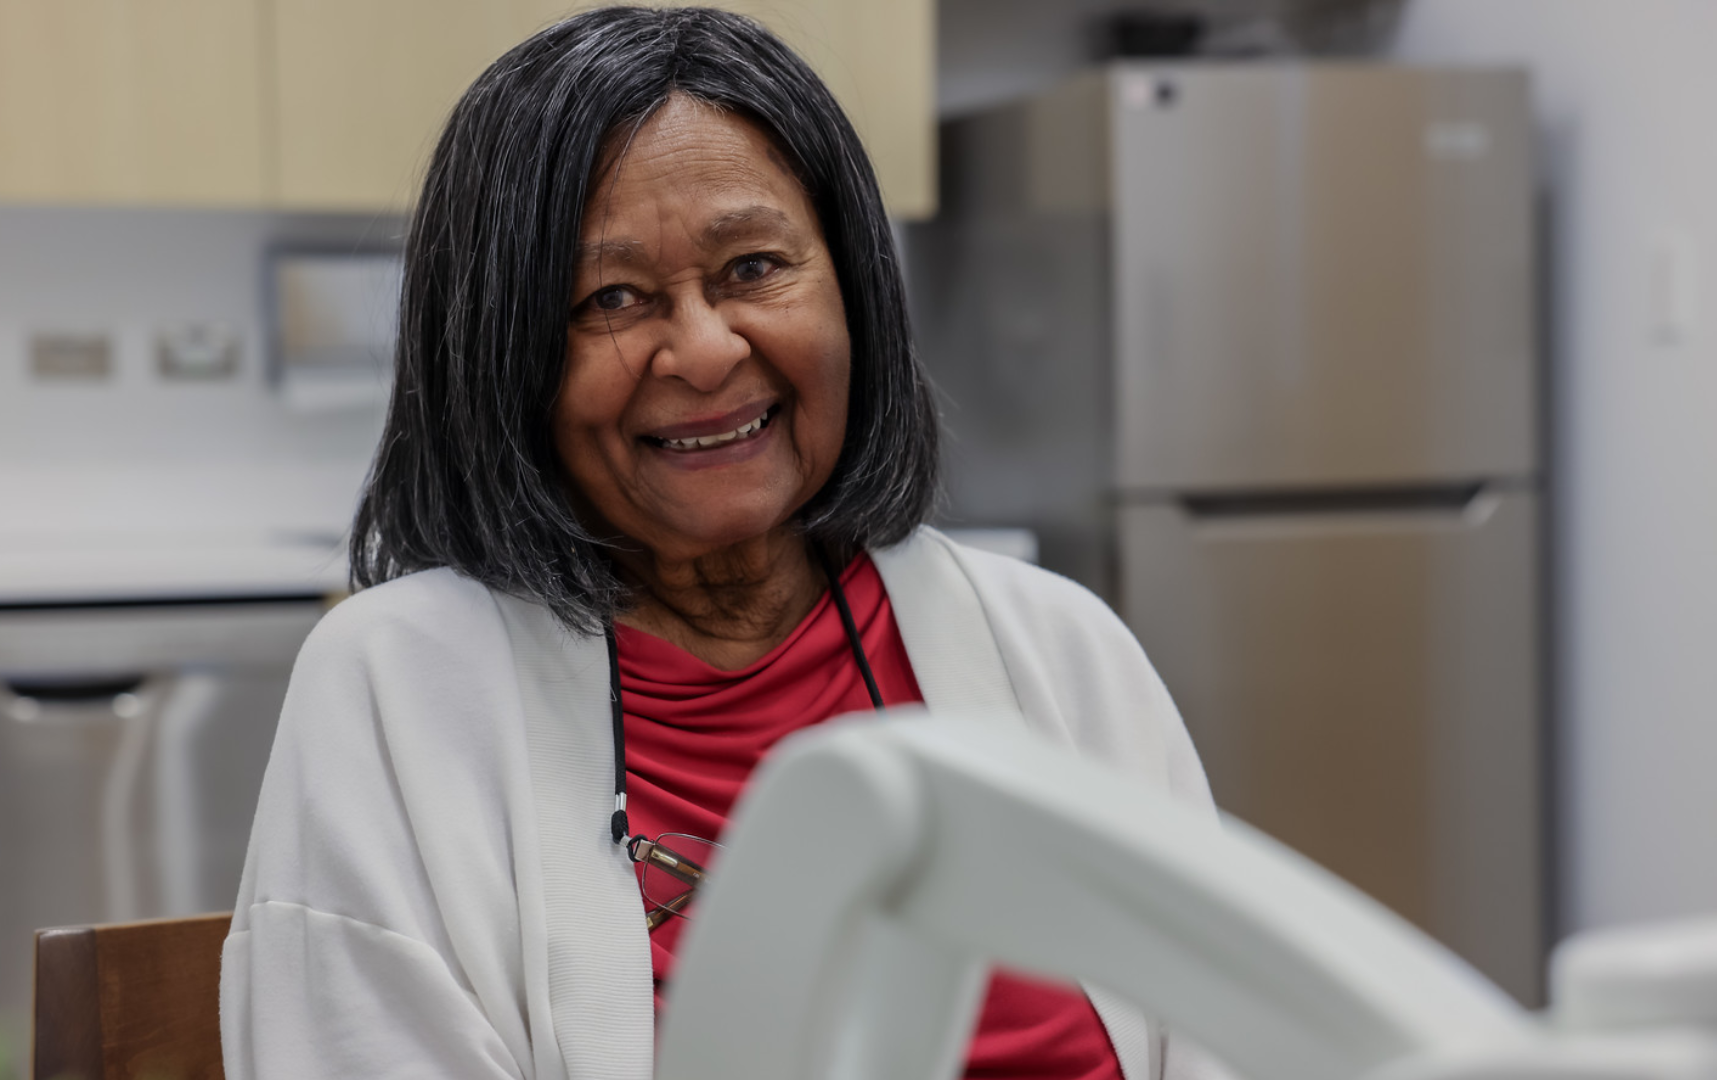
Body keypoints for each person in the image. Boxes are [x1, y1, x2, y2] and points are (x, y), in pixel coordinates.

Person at [221, 8, 1222, 1080]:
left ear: (853, 292)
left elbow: (1228, 1034)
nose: (703, 350)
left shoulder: (1062, 651)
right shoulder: (397, 686)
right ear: (502, 353)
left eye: (753, 268)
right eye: (611, 298)